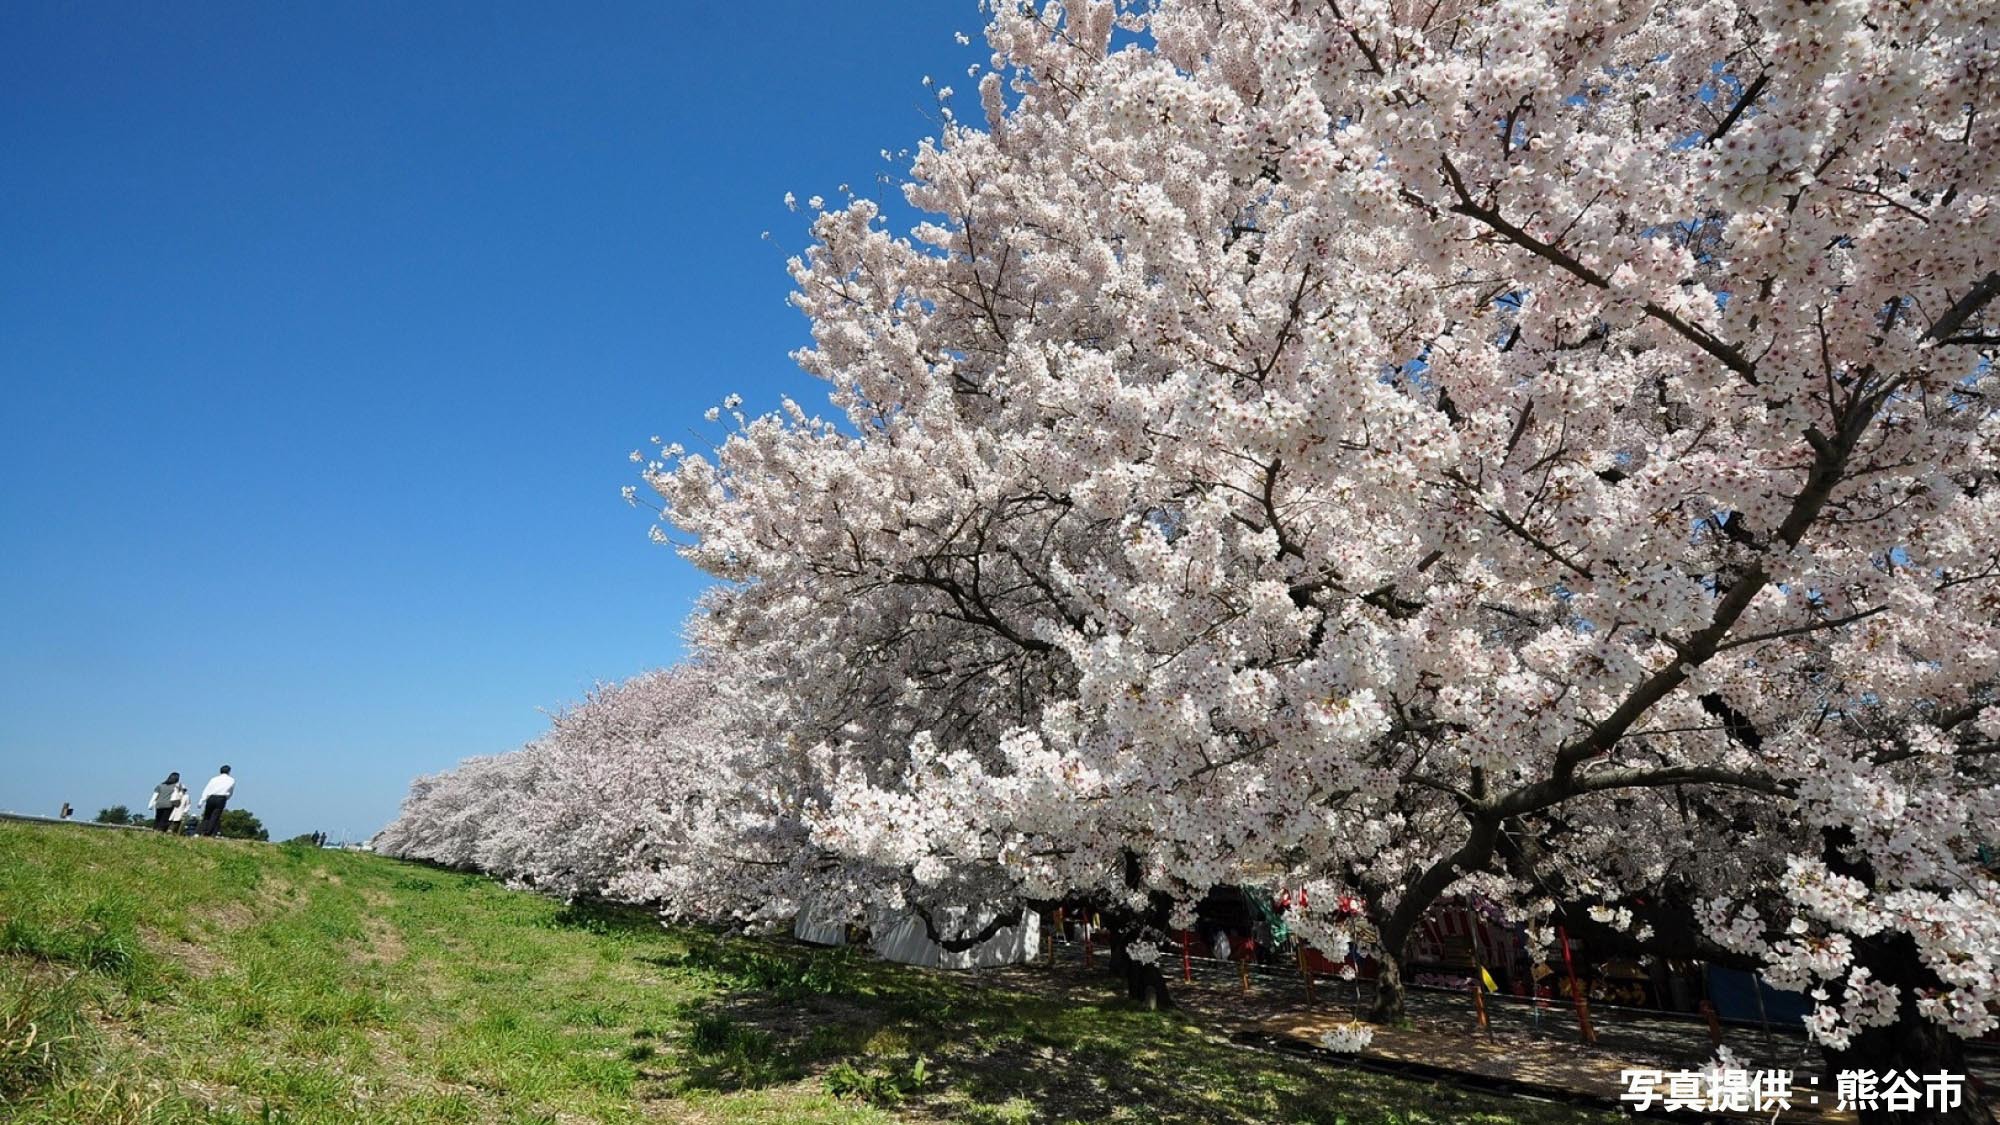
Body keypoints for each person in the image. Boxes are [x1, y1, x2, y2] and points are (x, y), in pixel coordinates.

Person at [197, 765, 235, 837]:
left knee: (207, 815)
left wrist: (202, 800)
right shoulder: (231, 780)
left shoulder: (214, 779)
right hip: (221, 798)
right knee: (215, 816)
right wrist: (227, 797)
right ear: (229, 771)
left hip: (211, 797)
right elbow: (230, 791)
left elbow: (207, 789)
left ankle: (202, 830)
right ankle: (209, 832)